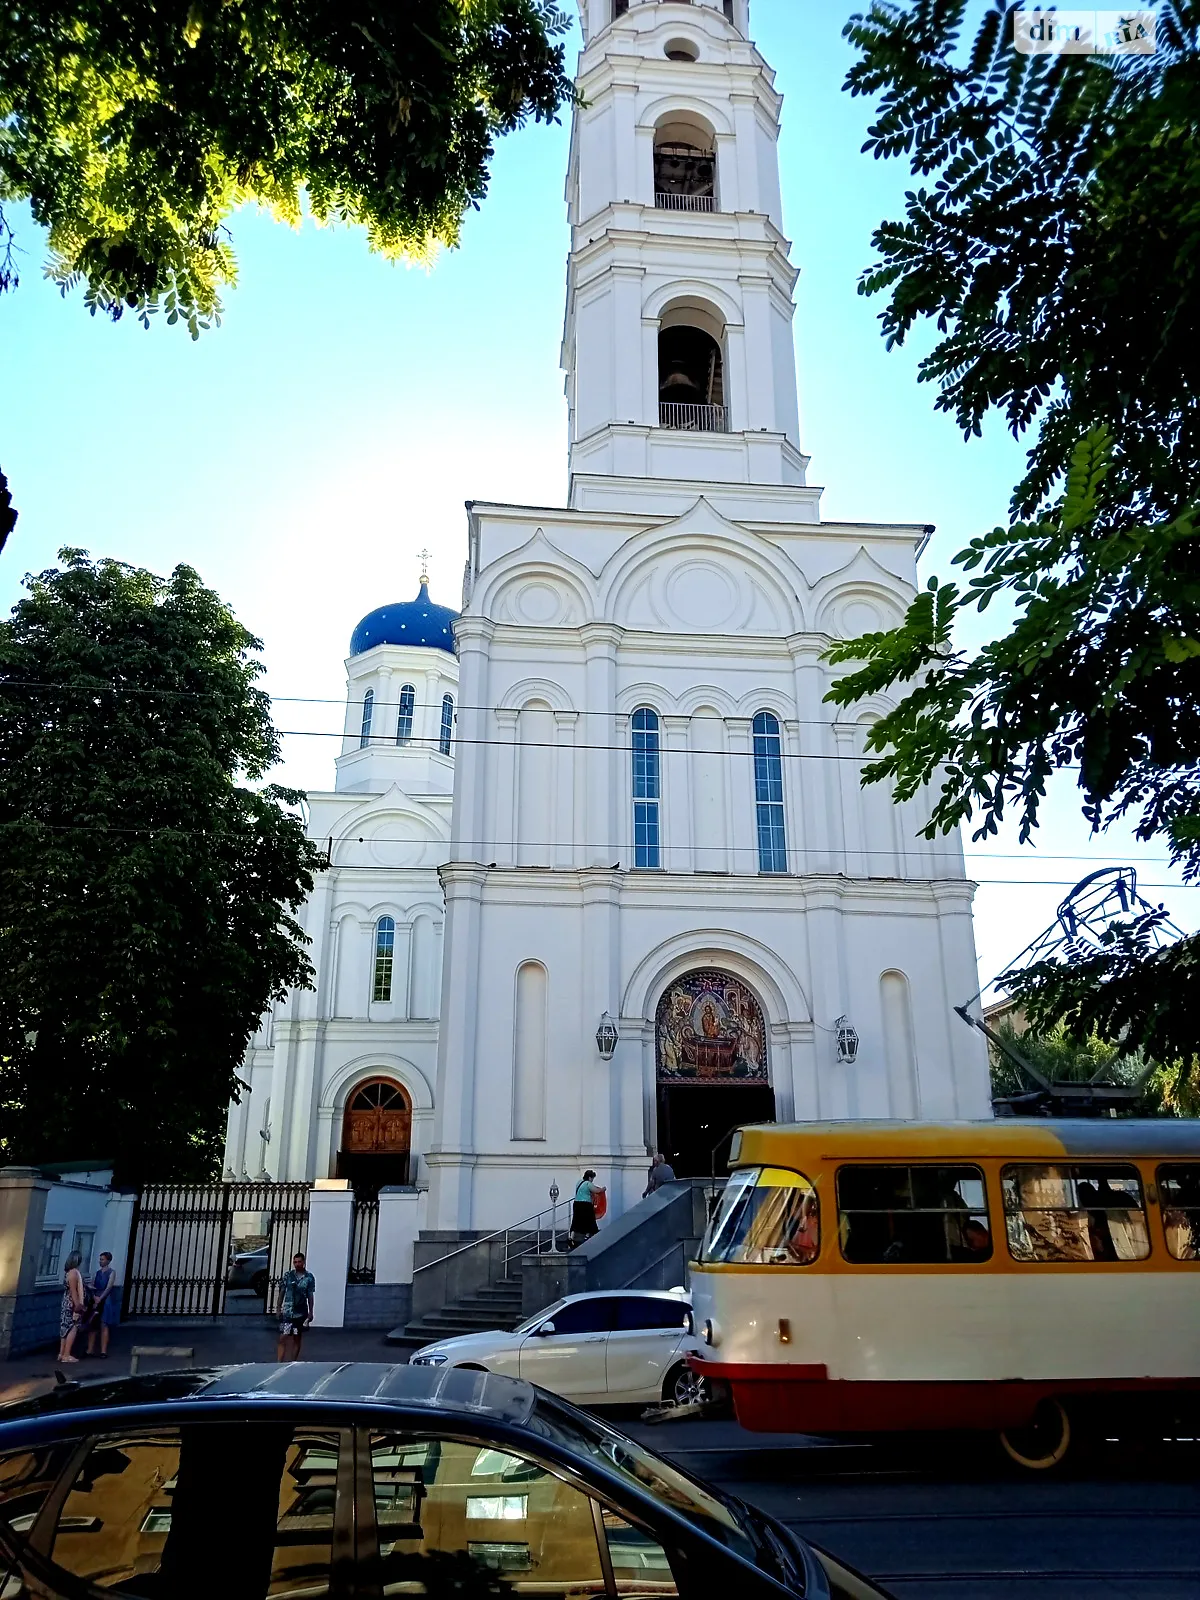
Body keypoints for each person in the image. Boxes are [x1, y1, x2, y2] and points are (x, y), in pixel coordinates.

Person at [276, 1253, 315, 1361]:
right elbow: (282, 1292)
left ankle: (292, 1361)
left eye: (299, 1262)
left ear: (303, 1262)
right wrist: (278, 1308)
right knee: (283, 1336)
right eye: (295, 1262)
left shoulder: (309, 1277)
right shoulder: (288, 1275)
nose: (297, 1264)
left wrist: (311, 1312)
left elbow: (310, 1295)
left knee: (297, 1337)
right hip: (288, 1312)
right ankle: (279, 1362)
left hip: (300, 1313)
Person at [57, 1252, 88, 1364]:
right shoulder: (74, 1273)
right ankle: (67, 1354)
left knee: (65, 1327)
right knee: (73, 1327)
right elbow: (74, 1291)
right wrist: (78, 1306)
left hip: (66, 1302)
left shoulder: (68, 1273)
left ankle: (61, 1353)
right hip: (72, 1304)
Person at [86, 1251, 118, 1358]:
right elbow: (92, 1284)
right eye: (100, 1259)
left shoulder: (111, 1272)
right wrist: (94, 1295)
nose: (100, 1261)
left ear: (108, 1261)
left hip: (105, 1300)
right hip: (96, 1298)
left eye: (102, 1259)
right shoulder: (97, 1273)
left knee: (104, 1324)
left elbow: (109, 1287)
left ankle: (103, 1351)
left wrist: (100, 1298)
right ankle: (89, 1350)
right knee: (93, 1325)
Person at [570, 1170, 604, 1246]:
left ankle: (571, 1237)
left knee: (576, 1220)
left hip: (576, 1203)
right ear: (589, 1177)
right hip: (585, 1205)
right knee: (590, 1219)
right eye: (592, 1178)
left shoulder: (579, 1182)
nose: (592, 1180)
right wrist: (603, 1189)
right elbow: (596, 1191)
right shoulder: (588, 1184)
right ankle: (588, 1235)